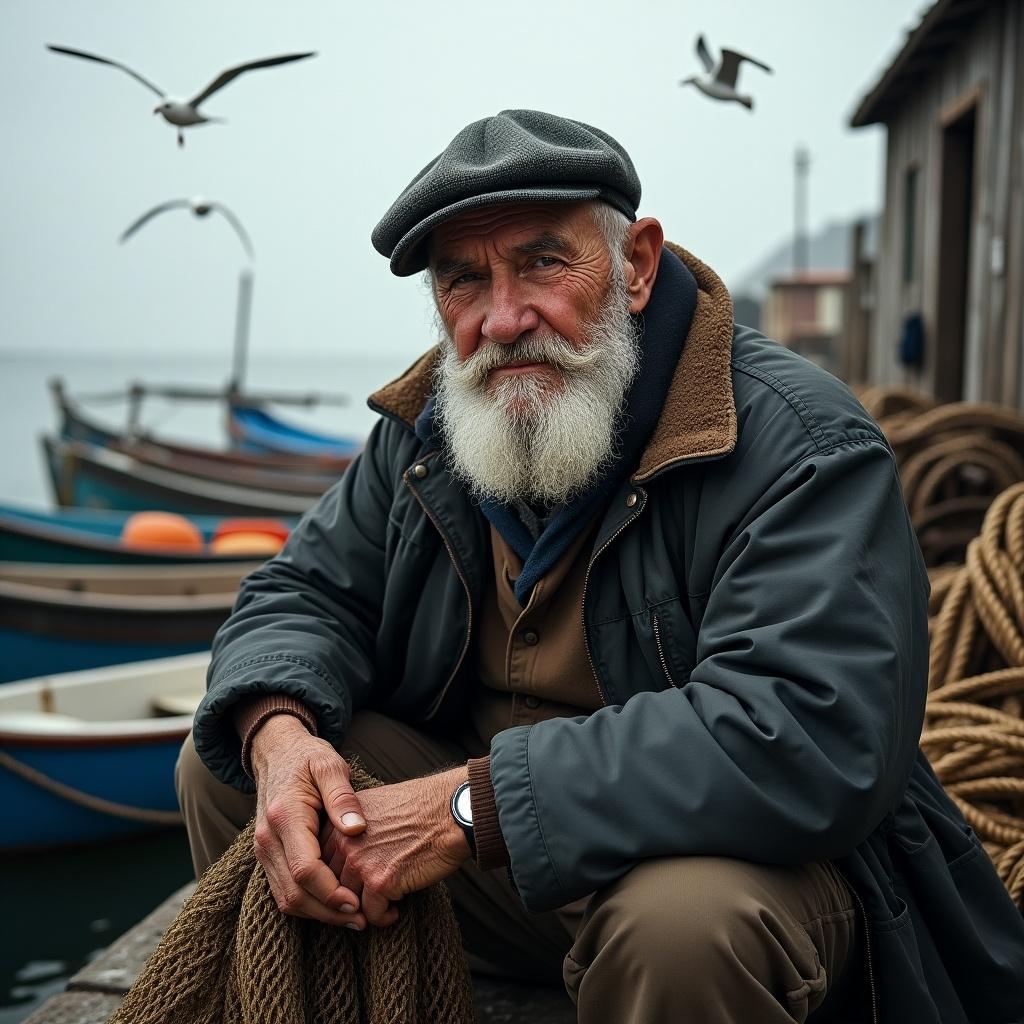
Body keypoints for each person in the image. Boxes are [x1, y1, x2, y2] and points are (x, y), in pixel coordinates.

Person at [178, 109, 1024, 1023]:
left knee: (680, 929)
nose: (504, 318)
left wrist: (468, 807)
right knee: (232, 771)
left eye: (543, 262)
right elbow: (301, 591)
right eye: (464, 281)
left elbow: (812, 731)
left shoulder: (800, 442)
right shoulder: (430, 430)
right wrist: (278, 732)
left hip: (748, 882)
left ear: (636, 264)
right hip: (508, 879)